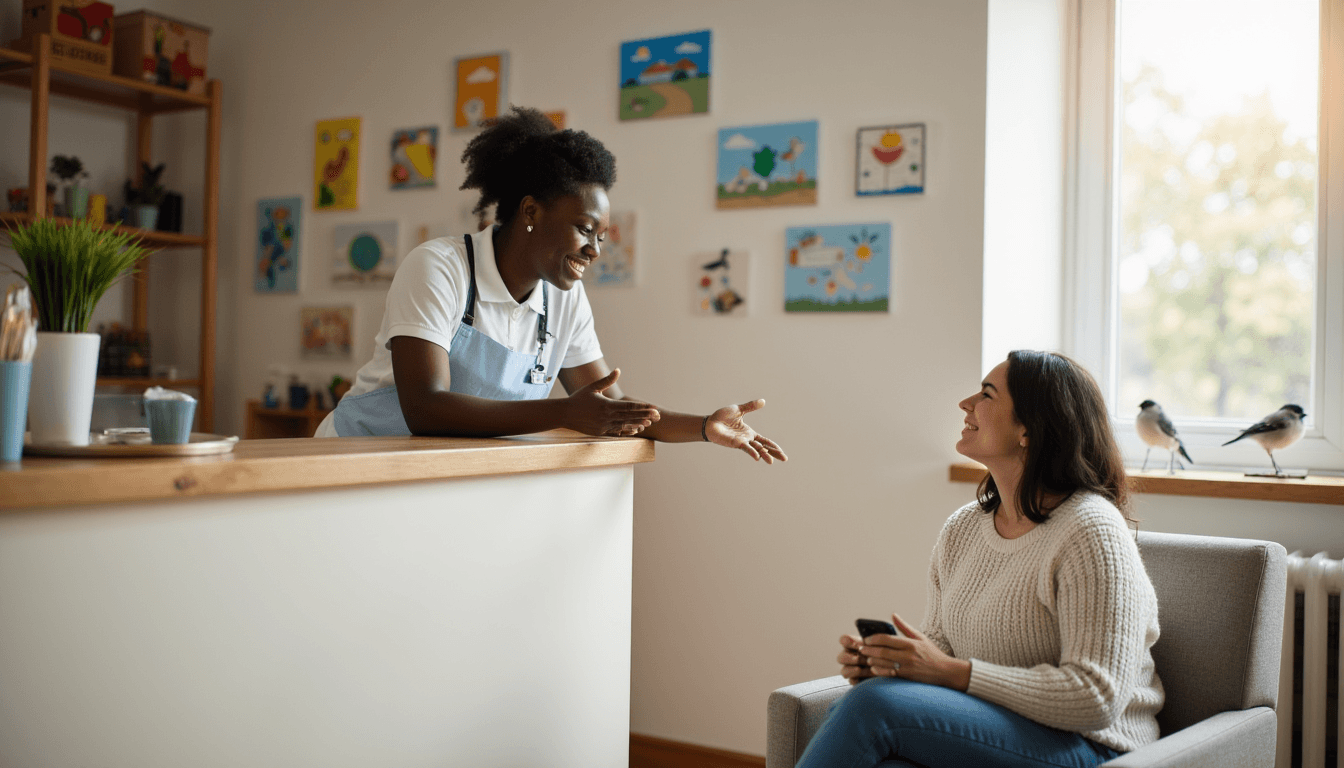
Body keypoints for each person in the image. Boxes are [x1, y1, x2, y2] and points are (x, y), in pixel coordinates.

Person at [316, 107, 787, 464]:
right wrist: (563, 413)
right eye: (585, 229)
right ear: (531, 211)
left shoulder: (564, 299)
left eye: (602, 236)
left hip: (444, 471)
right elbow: (425, 408)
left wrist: (705, 426)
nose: (595, 250)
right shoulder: (440, 268)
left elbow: (613, 410)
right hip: (354, 461)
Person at [797, 351, 1162, 768]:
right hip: (999, 729)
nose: (965, 403)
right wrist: (892, 663)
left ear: (1028, 429)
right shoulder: (963, 529)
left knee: (871, 708)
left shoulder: (1091, 530)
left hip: (1091, 747)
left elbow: (1095, 698)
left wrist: (951, 672)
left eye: (986, 394)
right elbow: (942, 647)